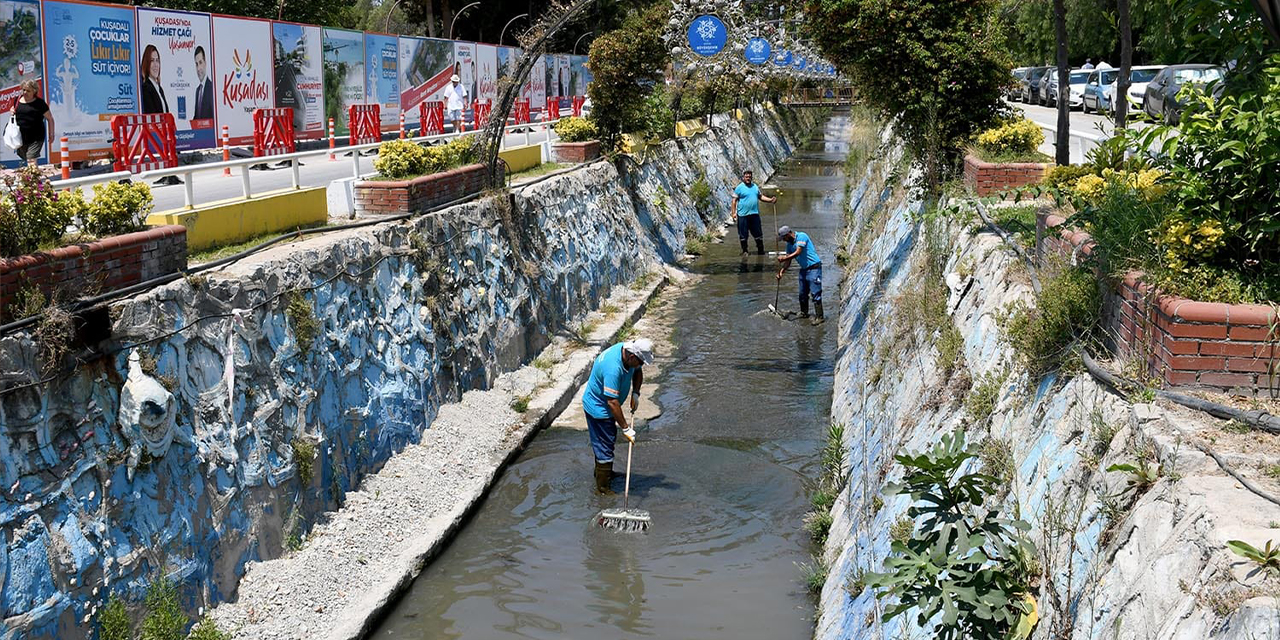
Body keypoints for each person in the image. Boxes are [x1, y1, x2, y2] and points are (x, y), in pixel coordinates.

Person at [582, 338, 654, 494]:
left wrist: (636, 393)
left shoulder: (629, 353)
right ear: (632, 357)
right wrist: (626, 428)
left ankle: (604, 472)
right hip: (599, 408)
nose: (641, 365)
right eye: (640, 361)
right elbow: (612, 402)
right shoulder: (613, 367)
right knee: (604, 446)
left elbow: (638, 371)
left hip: (608, 405)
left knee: (607, 442)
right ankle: (602, 490)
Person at [776, 225, 824, 325]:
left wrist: (784, 258)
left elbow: (798, 252)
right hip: (804, 270)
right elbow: (788, 261)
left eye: (784, 238)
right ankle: (804, 313)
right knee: (802, 294)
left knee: (815, 293)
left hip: (814, 268)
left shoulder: (802, 236)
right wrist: (781, 271)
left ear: (788, 234)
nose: (784, 240)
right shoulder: (789, 245)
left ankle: (820, 317)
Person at [730, 170, 777, 256]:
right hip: (743, 215)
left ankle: (761, 250)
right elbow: (734, 201)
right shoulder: (739, 188)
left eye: (749, 177)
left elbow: (760, 197)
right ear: (743, 178)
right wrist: (733, 213)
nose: (748, 178)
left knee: (758, 233)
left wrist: (770, 200)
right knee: (743, 235)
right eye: (746, 177)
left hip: (754, 214)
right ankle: (745, 251)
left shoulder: (755, 187)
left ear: (751, 177)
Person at [10, 80, 53, 167]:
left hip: (36, 137)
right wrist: (11, 111)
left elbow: (50, 119)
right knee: (25, 157)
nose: (25, 92)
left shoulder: (40, 103)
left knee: (31, 159)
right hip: (21, 137)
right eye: (24, 90)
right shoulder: (17, 100)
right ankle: (31, 178)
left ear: (34, 91)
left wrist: (51, 133)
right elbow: (13, 110)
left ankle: (33, 180)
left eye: (28, 91)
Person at [140, 45, 169, 114]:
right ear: (146, 63)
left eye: (157, 60)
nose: (156, 65)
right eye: (152, 60)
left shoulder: (159, 88)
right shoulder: (146, 88)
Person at [192, 46, 214, 121]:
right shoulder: (198, 90)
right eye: (196, 64)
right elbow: (197, 117)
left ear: (205, 63)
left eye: (200, 62)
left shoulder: (212, 88)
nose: (198, 68)